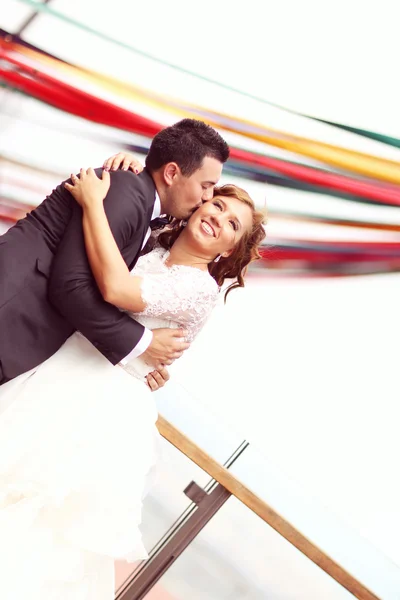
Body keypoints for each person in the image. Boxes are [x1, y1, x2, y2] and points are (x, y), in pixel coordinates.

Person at [0, 166, 266, 599]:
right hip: (58, 367)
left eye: (232, 223)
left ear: (229, 251)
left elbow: (118, 289)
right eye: (217, 204)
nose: (218, 217)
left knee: (39, 518)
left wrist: (91, 204)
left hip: (97, 403)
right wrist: (133, 166)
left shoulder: (198, 290)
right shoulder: (154, 245)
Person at [0, 118, 229, 386]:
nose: (207, 198)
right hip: (12, 309)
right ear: (171, 173)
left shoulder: (144, 207)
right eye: (205, 185)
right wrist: (144, 344)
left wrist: (142, 365)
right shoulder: (124, 191)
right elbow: (71, 286)